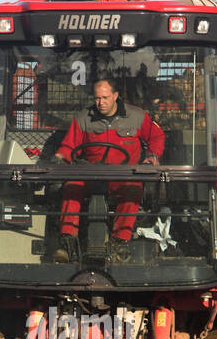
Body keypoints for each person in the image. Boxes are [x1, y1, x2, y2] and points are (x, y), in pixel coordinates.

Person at [52, 77, 165, 262]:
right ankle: (67, 243)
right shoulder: (83, 118)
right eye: (97, 98)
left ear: (115, 96)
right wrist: (59, 158)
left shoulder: (137, 116)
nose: (101, 103)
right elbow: (68, 147)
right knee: (72, 185)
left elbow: (157, 137)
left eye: (105, 98)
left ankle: (119, 241)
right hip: (91, 174)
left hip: (122, 175)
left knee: (133, 188)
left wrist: (152, 157)